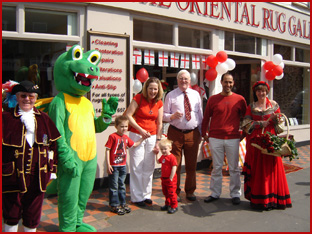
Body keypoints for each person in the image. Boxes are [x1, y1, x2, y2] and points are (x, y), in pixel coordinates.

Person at [2, 81, 61, 232]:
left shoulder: (44, 119)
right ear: (17, 97)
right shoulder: (5, 118)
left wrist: (52, 169)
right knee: (11, 215)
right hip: (11, 176)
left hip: (38, 176)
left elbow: (53, 146)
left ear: (35, 98)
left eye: (31, 96)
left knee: (32, 216)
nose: (27, 99)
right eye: (23, 96)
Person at [241, 81, 292, 210]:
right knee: (258, 169)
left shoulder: (274, 105)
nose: (261, 93)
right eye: (258, 91)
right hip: (256, 143)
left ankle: (273, 199)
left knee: (271, 168)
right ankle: (259, 199)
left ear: (267, 92)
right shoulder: (251, 106)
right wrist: (259, 124)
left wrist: (276, 120)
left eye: (263, 91)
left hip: (271, 140)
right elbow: (245, 125)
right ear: (255, 92)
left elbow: (280, 126)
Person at [202, 72, 247, 205]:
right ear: (221, 82)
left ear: (233, 84)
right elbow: (206, 118)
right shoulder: (213, 99)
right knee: (216, 167)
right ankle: (215, 193)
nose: (228, 84)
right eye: (226, 82)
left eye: (230, 82)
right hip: (215, 138)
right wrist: (204, 133)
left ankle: (235, 194)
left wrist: (243, 134)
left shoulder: (240, 100)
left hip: (233, 138)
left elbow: (247, 119)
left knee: (234, 168)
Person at [163, 70, 203, 202]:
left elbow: (200, 115)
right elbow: (163, 114)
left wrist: (201, 133)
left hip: (192, 133)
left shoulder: (196, 94)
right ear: (177, 80)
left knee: (191, 165)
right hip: (175, 133)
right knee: (176, 164)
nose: (183, 81)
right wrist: (171, 116)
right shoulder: (170, 95)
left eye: (186, 79)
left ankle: (190, 191)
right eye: (181, 79)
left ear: (190, 81)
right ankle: (175, 191)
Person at [125, 77, 164, 206]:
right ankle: (137, 197)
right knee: (136, 166)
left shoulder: (159, 102)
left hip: (152, 137)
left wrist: (158, 141)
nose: (153, 91)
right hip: (137, 135)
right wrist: (140, 130)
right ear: (146, 88)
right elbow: (128, 116)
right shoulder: (138, 98)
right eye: (150, 88)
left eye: (155, 89)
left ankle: (146, 195)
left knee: (149, 167)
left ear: (158, 90)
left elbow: (159, 123)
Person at [105, 115, 146, 215]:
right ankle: (114, 205)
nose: (124, 129)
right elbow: (107, 150)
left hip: (122, 165)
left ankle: (122, 203)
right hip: (114, 166)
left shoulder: (126, 138)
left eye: (126, 126)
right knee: (114, 186)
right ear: (116, 126)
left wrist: (143, 138)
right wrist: (108, 164)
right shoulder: (112, 136)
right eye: (121, 126)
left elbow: (134, 145)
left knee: (122, 185)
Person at [155, 138, 178, 214]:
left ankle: (174, 205)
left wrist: (171, 176)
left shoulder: (172, 157)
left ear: (170, 148)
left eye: (165, 149)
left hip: (170, 179)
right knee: (165, 192)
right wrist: (157, 154)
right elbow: (158, 161)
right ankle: (167, 204)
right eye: (162, 149)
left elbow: (174, 166)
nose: (163, 151)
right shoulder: (163, 157)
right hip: (164, 178)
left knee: (171, 192)